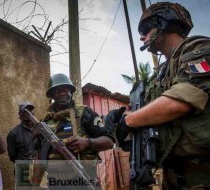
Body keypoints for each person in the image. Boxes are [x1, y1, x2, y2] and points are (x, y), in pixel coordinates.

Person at [115, 2, 210, 189]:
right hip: (173, 173)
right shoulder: (160, 74)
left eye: (146, 29)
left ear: (163, 24)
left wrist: (129, 121)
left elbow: (181, 101)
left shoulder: (199, 48)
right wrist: (120, 119)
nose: (142, 37)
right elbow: (149, 114)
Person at [36, 73, 115, 189]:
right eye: (57, 91)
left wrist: (87, 142)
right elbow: (37, 155)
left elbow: (109, 141)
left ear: (71, 92)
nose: (62, 93)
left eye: (65, 89)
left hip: (82, 181)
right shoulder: (45, 122)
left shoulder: (85, 114)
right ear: (52, 95)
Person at [6, 102, 37, 185]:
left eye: (31, 110)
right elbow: (12, 156)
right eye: (25, 111)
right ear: (20, 114)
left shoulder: (40, 129)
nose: (29, 113)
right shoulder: (13, 133)